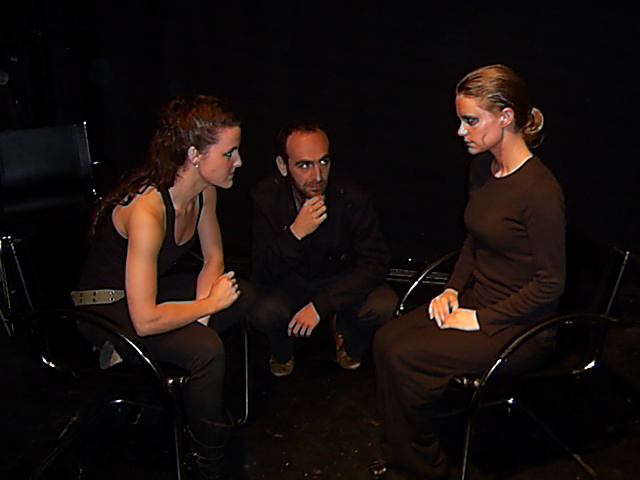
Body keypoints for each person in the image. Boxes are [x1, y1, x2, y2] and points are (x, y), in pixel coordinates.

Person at [372, 65, 566, 479]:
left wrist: (481, 319)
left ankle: (420, 470)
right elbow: (474, 242)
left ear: (506, 116)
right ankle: (405, 452)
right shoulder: (481, 169)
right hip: (478, 302)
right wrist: (452, 290)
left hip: (522, 327)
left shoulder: (540, 192)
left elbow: (551, 284)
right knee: (386, 338)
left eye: (471, 121)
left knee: (406, 357)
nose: (461, 131)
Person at [73, 95, 255, 480]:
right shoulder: (148, 210)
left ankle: (159, 367)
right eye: (229, 153)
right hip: (104, 308)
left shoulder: (204, 191)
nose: (238, 162)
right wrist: (206, 307)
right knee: (205, 351)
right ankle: (209, 456)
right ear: (194, 155)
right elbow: (144, 318)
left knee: (242, 294)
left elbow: (214, 259)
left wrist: (203, 311)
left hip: (145, 293)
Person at [249, 122, 398, 377]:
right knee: (261, 309)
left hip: (338, 280)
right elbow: (261, 272)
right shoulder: (266, 196)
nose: (317, 176)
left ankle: (348, 339)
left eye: (323, 162)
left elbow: (376, 263)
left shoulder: (352, 196)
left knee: (383, 304)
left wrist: (322, 304)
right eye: (304, 165)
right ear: (283, 166)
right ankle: (283, 349)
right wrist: (295, 234)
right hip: (290, 282)